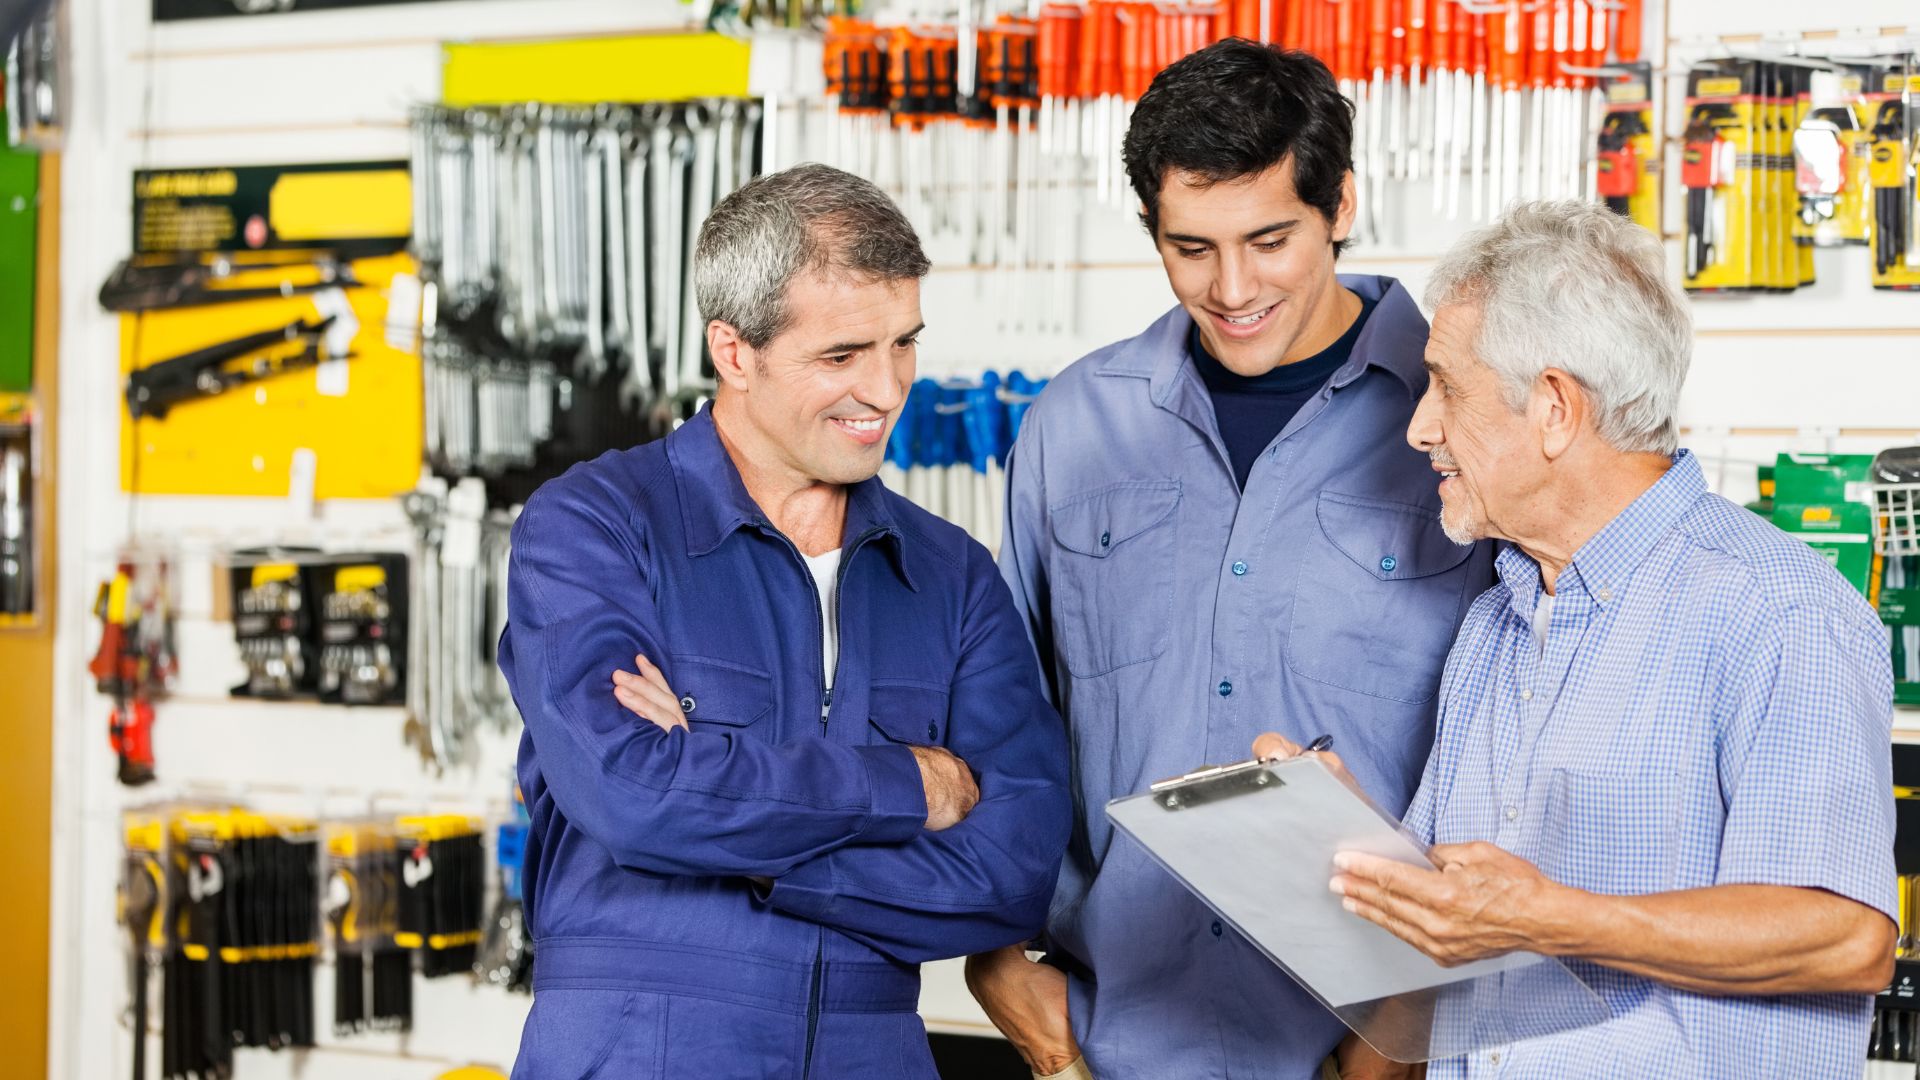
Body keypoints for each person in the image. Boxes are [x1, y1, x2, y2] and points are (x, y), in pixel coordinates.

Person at [1257, 199, 1896, 1079]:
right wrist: (1358, 851)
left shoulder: (1776, 612)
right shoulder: (1497, 622)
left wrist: (1552, 917)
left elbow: (1845, 936)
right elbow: (1459, 937)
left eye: (1447, 386)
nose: (1419, 428)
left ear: (1554, 408)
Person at [967, 39, 1494, 1080]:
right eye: (1191, 247)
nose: (1234, 286)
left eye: (1269, 238)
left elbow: (1519, 768)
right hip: (1110, 1042)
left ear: (1341, 204)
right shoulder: (1074, 428)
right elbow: (998, 717)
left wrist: (1389, 1049)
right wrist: (1002, 973)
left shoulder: (1467, 425)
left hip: (1371, 1051)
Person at [499, 163, 1072, 1080]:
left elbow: (1014, 871)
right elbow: (634, 795)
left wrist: (762, 859)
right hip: (635, 1049)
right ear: (735, 352)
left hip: (872, 1049)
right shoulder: (595, 526)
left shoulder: (951, 574)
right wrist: (906, 789)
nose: (886, 391)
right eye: (842, 356)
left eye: (903, 344)